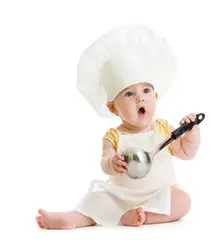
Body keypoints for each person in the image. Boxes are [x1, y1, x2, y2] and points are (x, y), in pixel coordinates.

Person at [36, 25, 201, 229]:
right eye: (129, 94)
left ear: (156, 97)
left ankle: (143, 216)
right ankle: (72, 219)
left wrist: (191, 135)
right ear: (113, 107)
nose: (140, 97)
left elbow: (186, 152)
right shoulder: (113, 136)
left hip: (158, 194)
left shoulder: (164, 129)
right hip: (120, 195)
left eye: (146, 90)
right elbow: (105, 161)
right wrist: (112, 163)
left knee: (182, 200)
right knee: (96, 199)